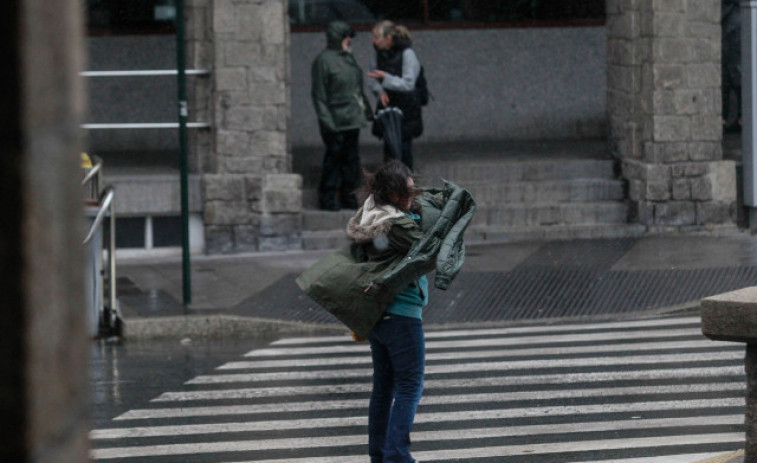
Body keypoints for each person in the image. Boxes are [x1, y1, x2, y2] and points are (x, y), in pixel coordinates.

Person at [295, 160, 476, 463]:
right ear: (392, 194)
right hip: (401, 312)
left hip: (378, 313)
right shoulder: (397, 225)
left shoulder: (371, 213)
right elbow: (428, 248)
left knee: (383, 388)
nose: (412, 194)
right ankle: (397, 455)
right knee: (409, 385)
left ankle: (379, 455)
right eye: (407, 191)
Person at [311, 21, 372, 210]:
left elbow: (356, 88)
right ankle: (327, 198)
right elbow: (319, 95)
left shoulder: (348, 57)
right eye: (347, 37)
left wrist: (367, 110)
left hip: (351, 118)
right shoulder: (323, 60)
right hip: (335, 119)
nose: (350, 40)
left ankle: (349, 197)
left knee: (351, 161)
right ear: (338, 37)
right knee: (333, 160)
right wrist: (328, 122)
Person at [367, 21, 423, 170]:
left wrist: (386, 78)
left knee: (403, 150)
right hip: (388, 108)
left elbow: (408, 84)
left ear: (389, 38)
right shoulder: (377, 53)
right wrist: (380, 91)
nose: (374, 41)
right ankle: (391, 186)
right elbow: (371, 78)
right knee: (389, 149)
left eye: (377, 37)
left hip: (407, 110)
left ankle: (405, 187)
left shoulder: (407, 54)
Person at [722, 0, 741, 132]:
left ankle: (740, 118)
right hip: (731, 27)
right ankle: (737, 118)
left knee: (736, 74)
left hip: (734, 29)